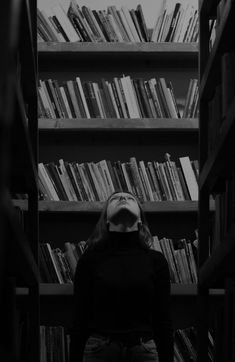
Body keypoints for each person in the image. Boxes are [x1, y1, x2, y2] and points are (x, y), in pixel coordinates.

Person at [69, 190, 174, 362]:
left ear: (140, 219)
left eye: (130, 198)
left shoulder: (156, 260)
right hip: (99, 350)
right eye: (115, 199)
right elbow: (80, 318)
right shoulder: (89, 259)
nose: (123, 198)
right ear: (106, 220)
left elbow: (163, 320)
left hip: (144, 351)